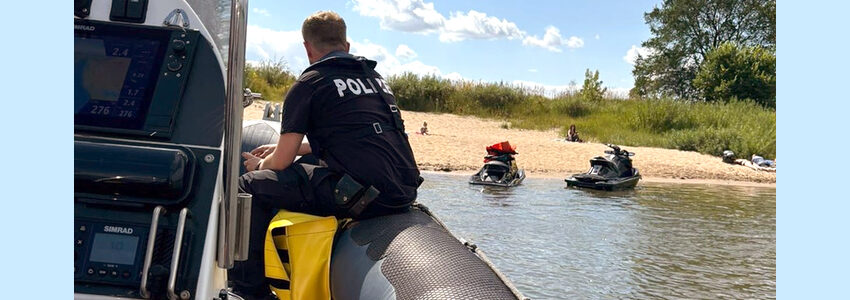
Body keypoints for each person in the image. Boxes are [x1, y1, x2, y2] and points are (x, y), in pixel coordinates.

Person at [230, 11, 421, 299]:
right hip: (402, 193)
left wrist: (260, 164)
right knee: (305, 163)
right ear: (346, 45)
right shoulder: (375, 79)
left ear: (307, 48)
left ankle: (249, 290)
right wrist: (304, 148)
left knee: (250, 186)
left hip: (366, 200)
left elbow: (280, 163)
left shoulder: (310, 84)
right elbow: (361, 134)